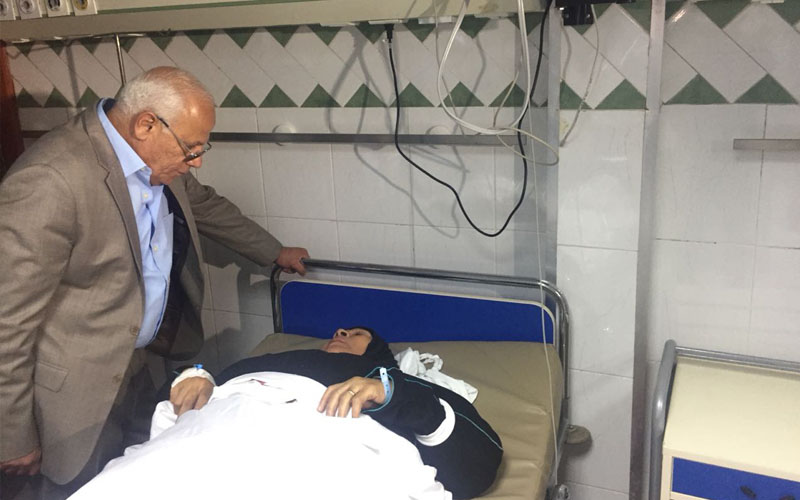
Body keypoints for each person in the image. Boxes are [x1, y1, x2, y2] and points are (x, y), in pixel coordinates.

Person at [0, 66, 309, 499]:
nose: (196, 161)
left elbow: (206, 206)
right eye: (191, 149)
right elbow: (7, 320)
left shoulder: (158, 161)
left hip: (144, 362)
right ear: (146, 125)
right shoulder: (52, 179)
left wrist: (274, 251)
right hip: (74, 393)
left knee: (141, 479)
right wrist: (10, 434)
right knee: (78, 490)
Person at [169, 327, 503, 500]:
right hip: (215, 435)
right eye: (338, 332)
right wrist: (193, 375)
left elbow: (479, 463)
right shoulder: (265, 362)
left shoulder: (401, 386)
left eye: (356, 334)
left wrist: (390, 394)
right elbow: (173, 401)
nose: (340, 333)